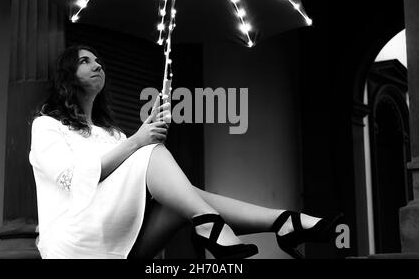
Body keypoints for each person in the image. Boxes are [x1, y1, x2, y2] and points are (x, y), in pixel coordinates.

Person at [29, 44, 343, 259]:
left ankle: (280, 221)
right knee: (152, 152)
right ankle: (244, 224)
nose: (97, 64)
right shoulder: (47, 126)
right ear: (67, 76)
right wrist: (139, 141)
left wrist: (145, 136)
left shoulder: (112, 133)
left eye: (99, 60)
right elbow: (72, 180)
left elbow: (138, 186)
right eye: (85, 61)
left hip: (119, 243)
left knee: (180, 197)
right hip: (75, 244)